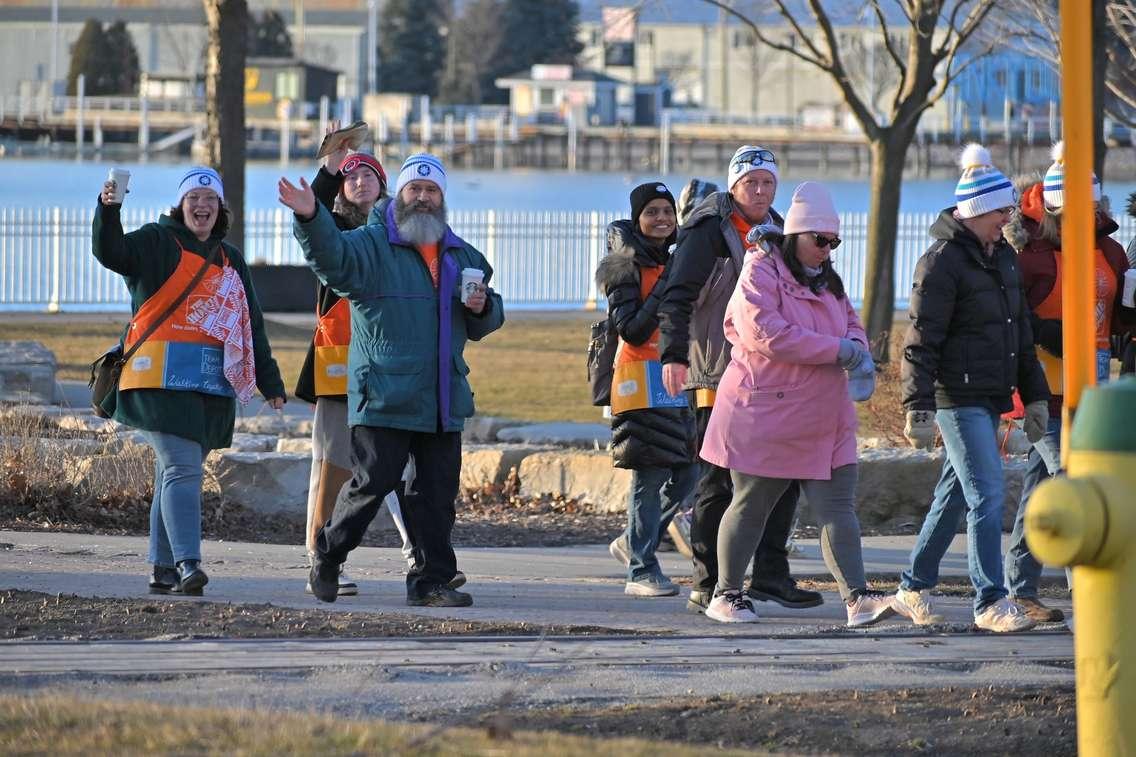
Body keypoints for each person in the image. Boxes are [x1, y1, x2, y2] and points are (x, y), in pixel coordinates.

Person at [278, 153, 504, 607]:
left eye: (431, 190)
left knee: (435, 497)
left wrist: (484, 308)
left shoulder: (463, 255)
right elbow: (332, 260)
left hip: (442, 397)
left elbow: (485, 317)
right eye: (414, 189)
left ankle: (431, 581)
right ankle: (327, 553)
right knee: (369, 485)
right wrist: (310, 217)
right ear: (398, 195)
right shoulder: (371, 244)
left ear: (441, 199)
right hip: (383, 393)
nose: (422, 197)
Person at [699, 182, 895, 626]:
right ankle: (726, 594)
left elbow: (851, 323)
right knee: (751, 501)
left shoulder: (829, 282)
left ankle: (858, 598)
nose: (827, 250)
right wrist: (839, 351)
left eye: (834, 242)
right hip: (765, 411)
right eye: (819, 240)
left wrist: (860, 353)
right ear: (794, 235)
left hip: (826, 414)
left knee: (838, 507)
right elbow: (764, 333)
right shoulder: (760, 272)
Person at [93, 166, 287, 596]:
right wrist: (109, 209)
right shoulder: (156, 241)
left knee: (174, 472)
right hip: (155, 380)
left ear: (221, 209)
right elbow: (111, 252)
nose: (202, 206)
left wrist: (270, 382)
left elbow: (249, 322)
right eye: (194, 198)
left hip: (208, 385)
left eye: (210, 199)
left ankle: (161, 567)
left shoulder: (229, 259)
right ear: (181, 205)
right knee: (182, 467)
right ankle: (188, 563)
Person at [658, 146, 821, 614]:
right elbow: (678, 294)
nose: (761, 190)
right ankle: (707, 583)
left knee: (784, 475)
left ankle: (771, 575)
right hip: (716, 370)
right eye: (751, 182)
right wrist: (673, 355)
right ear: (733, 186)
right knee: (719, 481)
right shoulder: (708, 229)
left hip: (772, 374)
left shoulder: (778, 230)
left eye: (768, 182)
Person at [896, 143, 1050, 633]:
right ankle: (989, 601)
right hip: (953, 396)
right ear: (978, 211)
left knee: (957, 495)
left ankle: (912, 586)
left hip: (989, 393)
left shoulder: (1001, 257)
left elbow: (1019, 336)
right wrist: (917, 406)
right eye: (1003, 209)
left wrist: (1037, 396)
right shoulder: (941, 262)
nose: (1011, 216)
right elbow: (920, 338)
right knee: (986, 491)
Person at [1002, 142, 1134, 622]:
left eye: (1094, 208)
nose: (1089, 216)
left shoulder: (1112, 251)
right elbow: (1008, 315)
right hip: (1041, 388)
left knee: (1041, 486)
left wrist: (1127, 321)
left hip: (1093, 386)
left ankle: (1021, 588)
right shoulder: (1029, 257)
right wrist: (1046, 333)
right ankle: (1096, 590)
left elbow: (1117, 315)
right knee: (1072, 477)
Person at [293, 127, 416, 596]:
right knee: (334, 463)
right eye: (351, 178)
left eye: (369, 175)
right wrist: (330, 165)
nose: (360, 181)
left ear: (385, 187)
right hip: (340, 362)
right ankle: (321, 557)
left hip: (388, 363)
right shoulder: (334, 232)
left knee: (398, 463)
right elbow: (314, 211)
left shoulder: (401, 236)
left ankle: (417, 552)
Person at [596, 182, 699, 597]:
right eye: (652, 212)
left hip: (678, 374)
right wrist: (670, 281)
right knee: (649, 475)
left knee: (689, 472)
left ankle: (634, 540)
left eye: (667, 212)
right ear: (638, 218)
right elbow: (632, 329)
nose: (662, 219)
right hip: (638, 377)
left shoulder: (681, 259)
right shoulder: (624, 265)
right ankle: (641, 569)